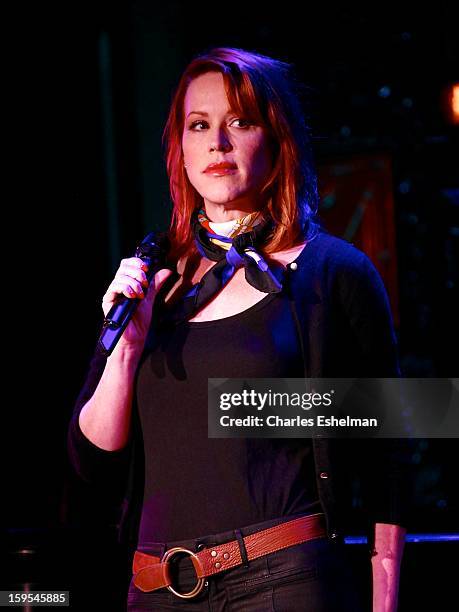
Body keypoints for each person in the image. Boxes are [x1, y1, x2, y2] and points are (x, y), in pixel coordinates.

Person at [68, 47, 409, 611]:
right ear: (179, 147)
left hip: (284, 582)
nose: (217, 143)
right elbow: (91, 461)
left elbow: (389, 454)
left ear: (276, 138)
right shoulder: (155, 279)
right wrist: (125, 351)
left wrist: (385, 598)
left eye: (240, 122)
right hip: (156, 590)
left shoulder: (334, 272)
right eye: (198, 125)